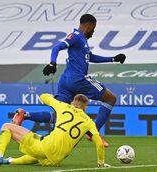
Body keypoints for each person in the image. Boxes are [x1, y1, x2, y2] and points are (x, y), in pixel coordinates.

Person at [12, 14, 126, 145]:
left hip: (65, 81)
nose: (93, 33)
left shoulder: (82, 40)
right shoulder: (76, 37)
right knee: (110, 98)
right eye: (93, 29)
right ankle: (94, 133)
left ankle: (24, 115)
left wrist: (113, 59)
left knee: (58, 117)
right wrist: (52, 63)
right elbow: (57, 47)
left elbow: (91, 57)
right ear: (88, 26)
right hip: (78, 80)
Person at [0, 93, 110, 167]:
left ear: (72, 103)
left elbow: (43, 96)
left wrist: (54, 99)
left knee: (7, 126)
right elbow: (99, 143)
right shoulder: (89, 122)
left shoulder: (63, 106)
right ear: (85, 107)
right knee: (36, 157)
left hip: (45, 146)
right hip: (55, 160)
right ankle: (8, 161)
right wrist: (101, 163)